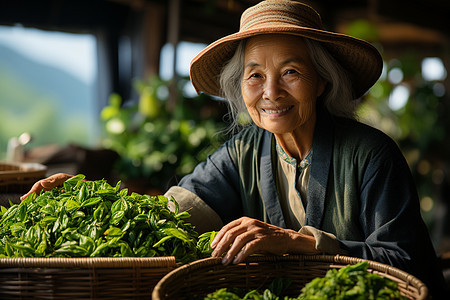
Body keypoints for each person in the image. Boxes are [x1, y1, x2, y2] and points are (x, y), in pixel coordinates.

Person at [22, 0, 448, 297]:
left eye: (292, 72)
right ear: (240, 87)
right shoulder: (242, 152)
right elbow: (169, 216)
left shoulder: (371, 154)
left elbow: (407, 263)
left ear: (322, 82)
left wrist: (299, 241)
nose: (271, 92)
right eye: (255, 76)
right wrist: (87, 200)